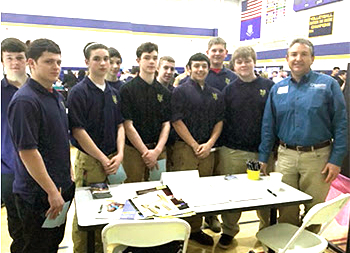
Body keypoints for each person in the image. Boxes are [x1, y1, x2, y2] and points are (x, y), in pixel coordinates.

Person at [259, 38, 348, 234]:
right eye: (294, 54)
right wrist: (263, 158)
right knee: (286, 208)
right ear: (287, 59)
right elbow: (268, 126)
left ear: (312, 58)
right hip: (285, 157)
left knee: (314, 210)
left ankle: (308, 244)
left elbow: (341, 124)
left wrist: (336, 159)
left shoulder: (328, 85)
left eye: (304, 54)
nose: (298, 58)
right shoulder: (277, 88)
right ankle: (288, 245)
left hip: (319, 158)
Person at [7, 38, 75, 253]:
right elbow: (28, 151)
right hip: (38, 195)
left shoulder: (54, 96)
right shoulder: (25, 101)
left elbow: (57, 141)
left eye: (58, 62)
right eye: (48, 62)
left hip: (58, 187)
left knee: (50, 245)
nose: (55, 67)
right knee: (35, 247)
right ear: (31, 63)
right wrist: (52, 191)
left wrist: (67, 174)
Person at [68, 42, 125, 253]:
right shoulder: (78, 92)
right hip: (91, 162)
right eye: (97, 59)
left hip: (113, 159)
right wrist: (102, 158)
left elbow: (120, 125)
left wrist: (119, 154)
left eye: (106, 59)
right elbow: (78, 131)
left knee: (111, 208)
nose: (103, 63)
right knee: (87, 212)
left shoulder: (113, 92)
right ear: (86, 62)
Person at [215, 46, 274, 249]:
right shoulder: (229, 90)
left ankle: (267, 230)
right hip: (233, 151)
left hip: (262, 152)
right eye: (239, 62)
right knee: (232, 195)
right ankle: (229, 230)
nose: (243, 65)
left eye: (247, 60)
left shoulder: (269, 86)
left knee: (265, 194)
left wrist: (267, 151)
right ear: (234, 65)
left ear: (254, 62)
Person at [170, 53, 224, 246]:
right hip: (185, 148)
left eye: (204, 66)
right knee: (183, 192)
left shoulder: (215, 93)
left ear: (208, 69)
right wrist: (194, 144)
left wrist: (209, 144)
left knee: (201, 191)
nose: (200, 69)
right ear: (188, 68)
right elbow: (176, 120)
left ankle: (195, 229)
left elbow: (219, 121)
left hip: (207, 150)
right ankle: (180, 231)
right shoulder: (180, 91)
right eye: (196, 66)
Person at [120, 42, 171, 183]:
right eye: (147, 58)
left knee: (160, 191)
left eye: (155, 58)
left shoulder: (164, 92)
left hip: (158, 150)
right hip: (134, 151)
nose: (151, 61)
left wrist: (157, 150)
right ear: (138, 61)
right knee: (132, 189)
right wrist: (145, 152)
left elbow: (166, 124)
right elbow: (128, 125)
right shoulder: (127, 90)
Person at [204, 36, 238, 233]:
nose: (217, 54)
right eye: (213, 50)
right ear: (208, 52)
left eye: (220, 50)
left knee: (219, 180)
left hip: (225, 139)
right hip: (201, 139)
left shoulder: (233, 77)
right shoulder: (199, 73)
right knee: (203, 180)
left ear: (226, 53)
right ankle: (203, 218)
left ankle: (214, 215)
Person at [1, 37, 27, 253]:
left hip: (41, 168)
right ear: (2, 61)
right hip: (8, 168)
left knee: (41, 223)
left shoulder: (40, 88)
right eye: (9, 58)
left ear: (28, 60)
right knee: (16, 223)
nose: (15, 62)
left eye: (19, 57)